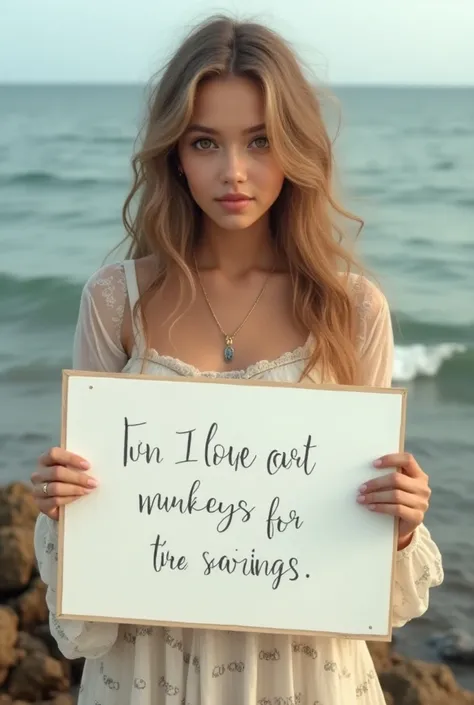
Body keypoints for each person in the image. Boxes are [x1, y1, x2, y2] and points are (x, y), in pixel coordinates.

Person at [31, 14, 444, 705]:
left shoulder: (353, 311)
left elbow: (363, 569)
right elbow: (93, 554)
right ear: (175, 153)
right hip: (146, 670)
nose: (234, 172)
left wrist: (400, 525)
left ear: (296, 146)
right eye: (205, 142)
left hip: (306, 672)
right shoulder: (115, 301)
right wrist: (60, 503)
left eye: (260, 141)